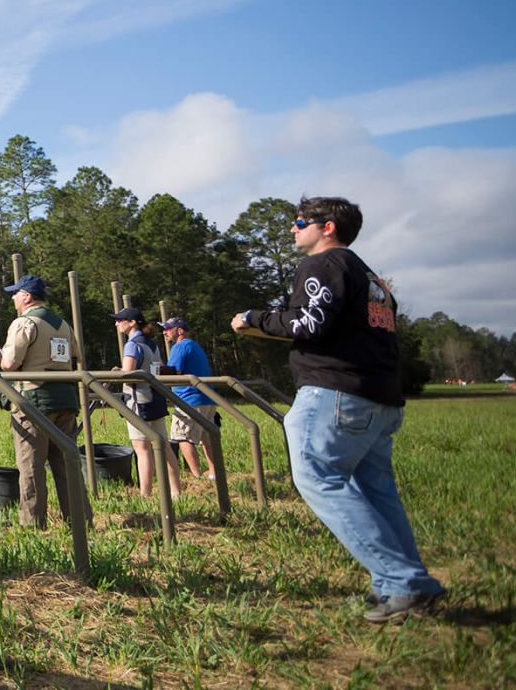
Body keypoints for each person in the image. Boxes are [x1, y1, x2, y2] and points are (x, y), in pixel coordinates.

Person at [233, 196, 446, 623]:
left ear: (327, 227)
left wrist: (252, 318)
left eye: (299, 222)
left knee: (317, 478)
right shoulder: (373, 280)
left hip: (334, 395)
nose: (293, 229)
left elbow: (307, 323)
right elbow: (333, 328)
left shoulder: (323, 265)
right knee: (376, 492)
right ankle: (405, 584)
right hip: (377, 397)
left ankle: (401, 581)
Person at [0, 275, 89, 529]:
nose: (13, 298)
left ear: (27, 296)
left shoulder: (24, 323)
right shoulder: (63, 324)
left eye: (16, 293)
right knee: (66, 463)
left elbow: (9, 363)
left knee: (31, 466)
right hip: (65, 400)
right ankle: (80, 520)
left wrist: (2, 356)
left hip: (34, 402)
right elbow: (75, 357)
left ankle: (33, 525)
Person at [115, 307, 179, 498]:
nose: (116, 323)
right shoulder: (152, 344)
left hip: (138, 402)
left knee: (142, 450)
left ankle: (145, 495)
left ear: (132, 322)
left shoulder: (131, 345)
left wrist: (116, 372)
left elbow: (128, 376)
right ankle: (176, 491)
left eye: (120, 320)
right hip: (156, 399)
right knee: (164, 446)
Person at [160, 318, 219, 480]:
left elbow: (174, 372)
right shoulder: (195, 346)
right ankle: (215, 473)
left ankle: (197, 476)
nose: (165, 332)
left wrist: (156, 371)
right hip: (207, 398)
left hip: (189, 399)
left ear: (180, 331)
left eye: (168, 329)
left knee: (182, 437)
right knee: (207, 438)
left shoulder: (179, 347)